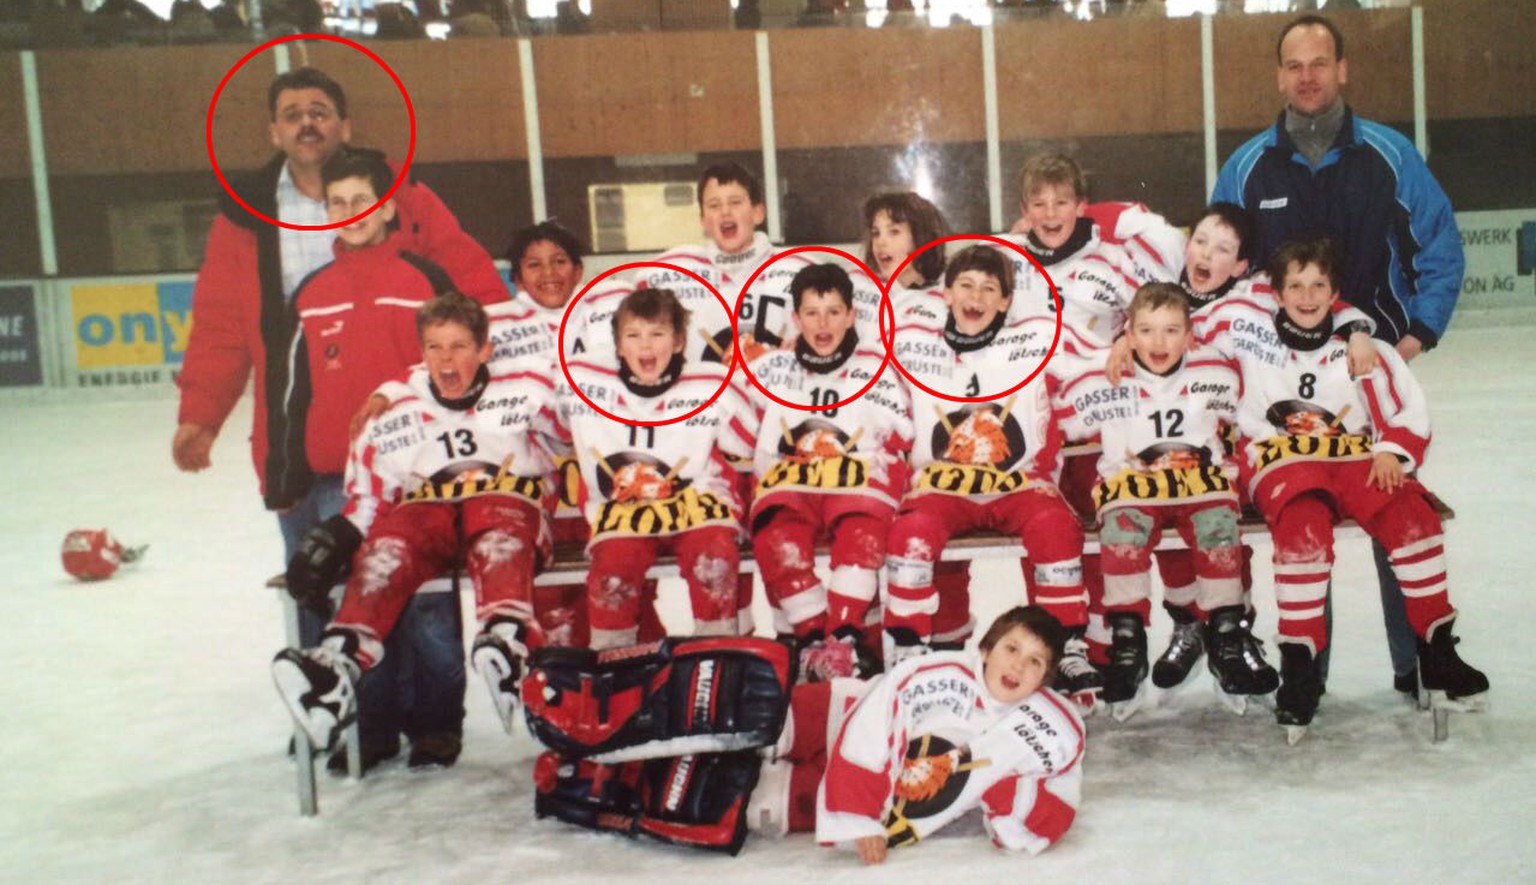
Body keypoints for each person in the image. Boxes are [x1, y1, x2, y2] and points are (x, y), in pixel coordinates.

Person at [174, 66, 506, 758]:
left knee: (418, 590)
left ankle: (432, 716)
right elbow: (221, 323)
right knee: (318, 577)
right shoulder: (246, 217)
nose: (307, 122)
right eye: (292, 112)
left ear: (345, 124)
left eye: (320, 110)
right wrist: (202, 413)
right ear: (274, 130)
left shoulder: (407, 199)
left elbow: (474, 288)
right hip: (308, 433)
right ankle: (340, 714)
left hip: (414, 436)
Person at [1212, 14, 1466, 696]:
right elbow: (1218, 266)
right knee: (1305, 518)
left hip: (1364, 386)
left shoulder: (1388, 155)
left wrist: (1408, 341)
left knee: (1392, 507)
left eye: (1319, 62)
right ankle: (1307, 672)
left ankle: (1419, 666)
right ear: (1278, 75)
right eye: (1294, 64)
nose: (1307, 75)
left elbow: (1439, 248)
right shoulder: (1245, 167)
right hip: (1285, 389)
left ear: (1342, 69)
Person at [273, 292, 559, 758]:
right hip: (431, 512)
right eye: (435, 347)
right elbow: (369, 500)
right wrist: (337, 536)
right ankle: (337, 667)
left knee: (498, 531)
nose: (447, 360)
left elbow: (585, 431)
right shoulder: (394, 412)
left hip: (508, 506)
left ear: (485, 350)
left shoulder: (527, 393)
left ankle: (507, 639)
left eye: (460, 346)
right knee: (390, 546)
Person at [281, 150, 490, 769]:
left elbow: (457, 364)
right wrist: (288, 469)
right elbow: (294, 392)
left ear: (388, 205)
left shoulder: (422, 278)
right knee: (357, 595)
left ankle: (435, 722)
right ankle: (367, 728)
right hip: (336, 477)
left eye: (362, 200)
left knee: (426, 608)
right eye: (337, 203)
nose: (351, 213)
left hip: (421, 474)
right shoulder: (312, 292)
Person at [1231, 239, 1487, 741]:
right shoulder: (1256, 345)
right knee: (1302, 533)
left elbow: (1407, 411)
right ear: (1277, 295)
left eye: (1319, 286)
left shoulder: (1367, 350)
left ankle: (1437, 651)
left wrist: (1391, 449)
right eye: (1296, 286)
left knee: (1413, 518)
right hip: (1285, 459)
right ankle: (1301, 668)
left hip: (1354, 458)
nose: (1307, 297)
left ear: (1336, 293)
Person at [1053, 283, 1278, 717]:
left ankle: (1227, 639)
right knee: (1121, 533)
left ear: (1191, 335)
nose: (1160, 342)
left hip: (1200, 485)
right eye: (1147, 331)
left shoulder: (1216, 370)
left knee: (1218, 529)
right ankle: (1128, 645)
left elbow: (1258, 394)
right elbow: (1058, 404)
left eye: (1172, 330)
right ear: (1129, 335)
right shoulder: (1105, 376)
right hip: (1132, 486)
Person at [884, 244, 1094, 701]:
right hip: (944, 486)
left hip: (1018, 485)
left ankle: (1065, 644)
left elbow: (1092, 361)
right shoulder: (912, 342)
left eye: (988, 288)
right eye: (965, 285)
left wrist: (1119, 351)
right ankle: (909, 650)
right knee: (911, 534)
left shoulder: (1036, 338)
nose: (975, 296)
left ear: (1004, 301)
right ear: (946, 293)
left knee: (1056, 527)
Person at [552, 288, 758, 649]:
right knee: (612, 575)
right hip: (623, 507)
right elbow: (550, 427)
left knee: (713, 561)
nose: (645, 347)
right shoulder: (582, 380)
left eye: (657, 334)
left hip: (697, 503)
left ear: (679, 342)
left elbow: (750, 443)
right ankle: (615, 669)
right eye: (633, 336)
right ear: (617, 345)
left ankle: (715, 657)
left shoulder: (711, 383)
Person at [795, 606, 1083, 861]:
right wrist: (859, 815)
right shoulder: (943, 674)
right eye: (1011, 649)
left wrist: (1008, 797)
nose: (1018, 666)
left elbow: (1061, 794)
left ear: (1044, 680)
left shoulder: (1047, 723)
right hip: (829, 719)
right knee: (765, 719)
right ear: (985, 650)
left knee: (766, 803)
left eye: (1035, 661)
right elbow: (873, 721)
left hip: (881, 787)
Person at [744, 263, 912, 680]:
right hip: (797, 480)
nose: (824, 324)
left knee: (862, 534)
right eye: (813, 313)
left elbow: (902, 432)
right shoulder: (775, 367)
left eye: (834, 312)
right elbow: (759, 446)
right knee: (775, 536)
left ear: (853, 315)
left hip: (856, 478)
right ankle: (814, 637)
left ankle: (845, 634)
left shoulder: (877, 362)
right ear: (796, 319)